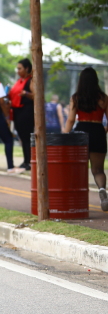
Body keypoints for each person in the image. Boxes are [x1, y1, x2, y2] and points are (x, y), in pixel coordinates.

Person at [63, 67, 108, 211]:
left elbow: (70, 120)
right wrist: (104, 130)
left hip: (80, 133)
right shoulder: (103, 98)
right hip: (98, 131)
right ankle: (102, 190)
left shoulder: (76, 98)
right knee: (98, 169)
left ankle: (76, 199)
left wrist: (64, 136)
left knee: (78, 169)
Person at [9, 58, 35, 172]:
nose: (18, 71)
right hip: (17, 111)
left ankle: (29, 161)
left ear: (27, 68)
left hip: (26, 111)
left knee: (26, 137)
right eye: (17, 68)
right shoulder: (19, 81)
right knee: (22, 138)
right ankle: (26, 160)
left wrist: (26, 93)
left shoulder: (31, 81)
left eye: (20, 68)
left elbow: (36, 95)